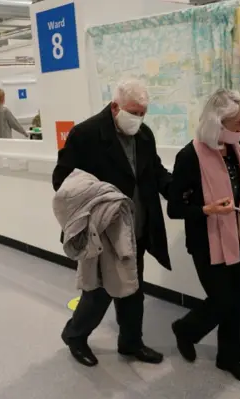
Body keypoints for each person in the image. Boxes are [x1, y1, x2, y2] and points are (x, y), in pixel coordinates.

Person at [52, 79, 172, 367]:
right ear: (115, 106)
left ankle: (131, 343)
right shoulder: (86, 134)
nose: (139, 119)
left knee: (132, 289)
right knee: (97, 294)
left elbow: (155, 171)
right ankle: (75, 335)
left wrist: (181, 190)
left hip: (136, 229)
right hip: (103, 232)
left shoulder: (144, 136)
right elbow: (62, 180)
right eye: (134, 112)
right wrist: (100, 196)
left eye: (144, 113)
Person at [167, 89, 240, 384]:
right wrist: (206, 209)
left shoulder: (237, 148)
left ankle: (228, 359)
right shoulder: (189, 157)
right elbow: (175, 208)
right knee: (222, 302)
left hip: (239, 237)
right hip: (207, 243)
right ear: (216, 124)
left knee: (236, 302)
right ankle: (185, 330)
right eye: (236, 125)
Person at [0, 88, 28, 206]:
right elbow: (14, 123)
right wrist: (25, 133)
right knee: (8, 169)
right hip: (6, 145)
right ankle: (9, 194)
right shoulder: (4, 111)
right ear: (3, 97)